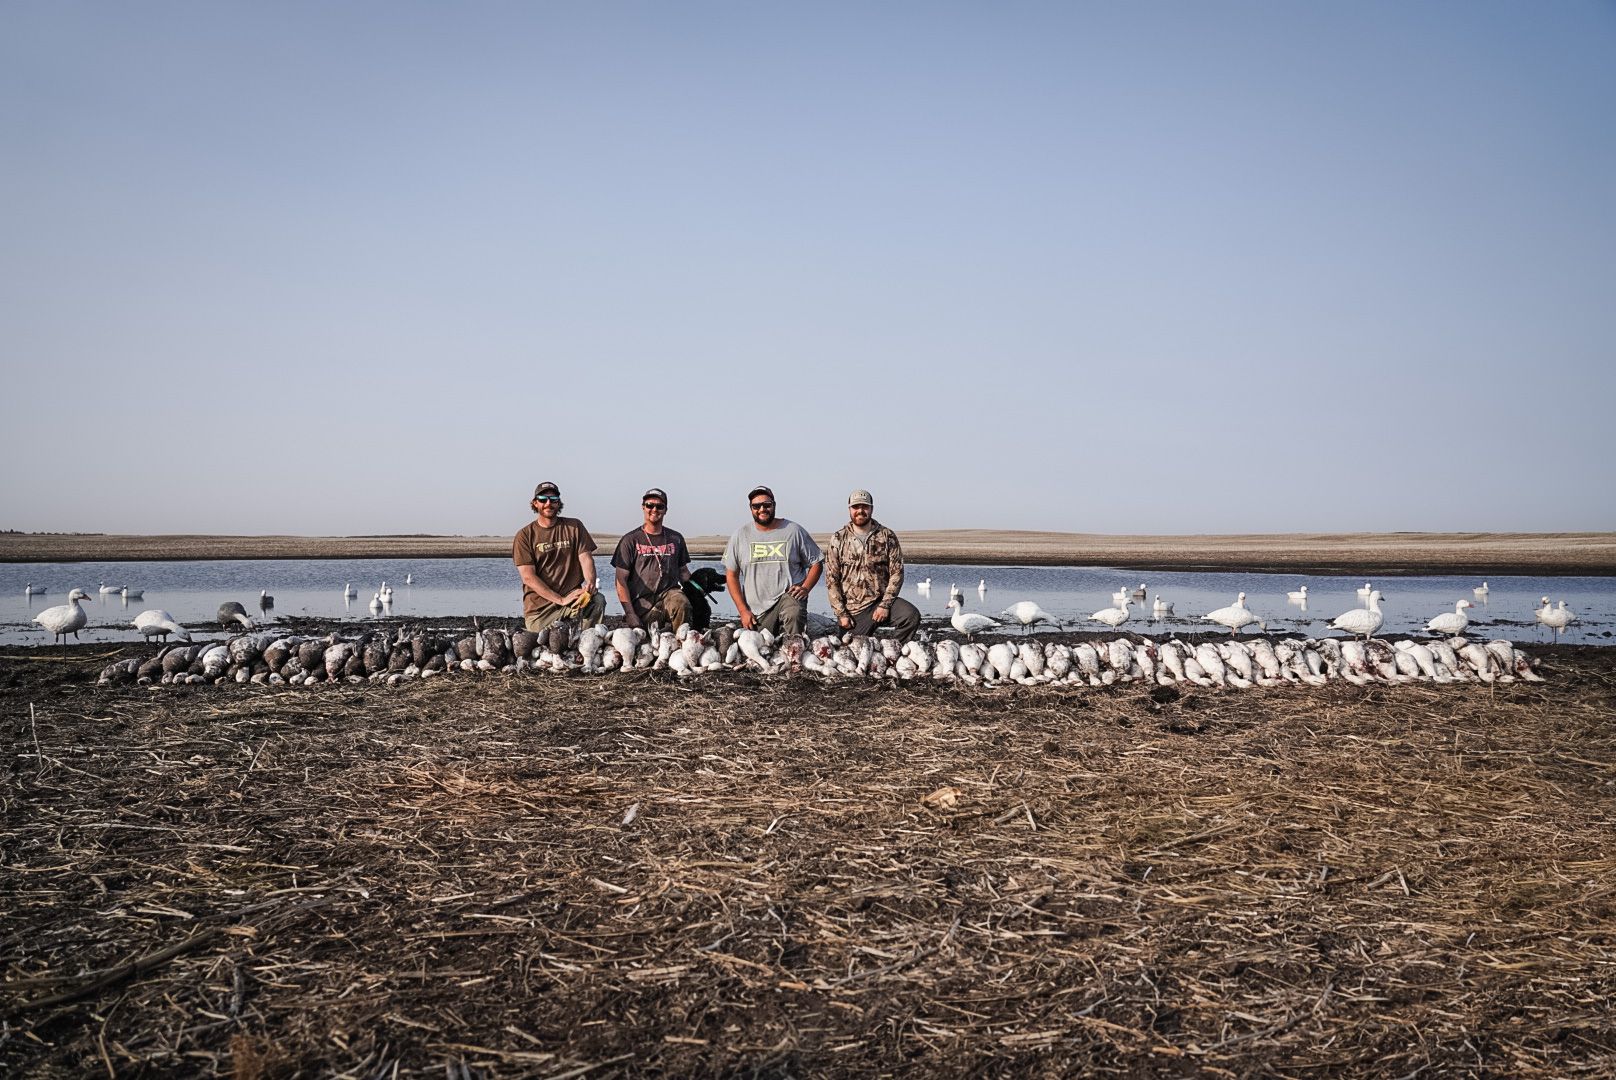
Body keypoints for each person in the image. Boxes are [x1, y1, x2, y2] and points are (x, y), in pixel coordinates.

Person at [824, 488, 922, 643]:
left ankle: (894, 653)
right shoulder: (838, 538)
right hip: (853, 610)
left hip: (881, 602)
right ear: (850, 509)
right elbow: (831, 579)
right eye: (856, 507)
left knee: (910, 615)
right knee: (851, 651)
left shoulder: (886, 535)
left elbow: (897, 573)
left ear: (871, 509)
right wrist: (841, 613)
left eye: (865, 506)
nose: (860, 511)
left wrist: (885, 604)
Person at [723, 485, 822, 636]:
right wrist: (743, 610)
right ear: (751, 509)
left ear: (774, 506)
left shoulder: (793, 530)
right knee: (758, 645)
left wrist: (806, 588)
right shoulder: (740, 535)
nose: (762, 509)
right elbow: (731, 576)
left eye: (767, 505)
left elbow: (816, 562)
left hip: (788, 597)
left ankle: (794, 652)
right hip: (756, 611)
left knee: (793, 613)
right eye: (757, 506)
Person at [512, 481, 605, 633]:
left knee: (597, 600)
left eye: (553, 499)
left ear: (558, 503)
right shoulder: (524, 536)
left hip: (572, 601)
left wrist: (590, 584)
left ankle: (585, 641)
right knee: (542, 642)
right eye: (543, 499)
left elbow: (586, 558)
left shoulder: (574, 526)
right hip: (540, 612)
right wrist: (560, 600)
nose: (548, 503)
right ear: (535, 503)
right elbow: (528, 577)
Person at [611, 487, 692, 630]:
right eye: (650, 505)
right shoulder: (630, 540)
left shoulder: (676, 538)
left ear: (666, 510)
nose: (654, 509)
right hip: (642, 606)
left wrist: (700, 587)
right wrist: (629, 613)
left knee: (681, 602)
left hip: (669, 596)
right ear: (643, 507)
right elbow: (620, 580)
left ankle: (680, 644)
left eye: (660, 506)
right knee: (642, 642)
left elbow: (684, 573)